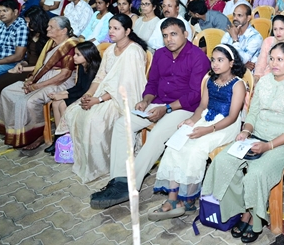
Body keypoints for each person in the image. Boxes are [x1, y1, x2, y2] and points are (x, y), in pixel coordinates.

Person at [89, 17, 210, 207]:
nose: (169, 39)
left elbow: (195, 94)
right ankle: (118, 180)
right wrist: (146, 100)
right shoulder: (160, 54)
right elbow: (152, 83)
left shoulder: (198, 57)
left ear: (185, 34)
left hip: (184, 109)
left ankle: (131, 185)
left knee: (157, 135)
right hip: (159, 103)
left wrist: (166, 108)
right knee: (122, 124)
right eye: (165, 35)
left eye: (174, 34)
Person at [201, 43, 284, 243]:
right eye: (272, 58)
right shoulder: (264, 81)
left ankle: (253, 217)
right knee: (223, 161)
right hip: (257, 135)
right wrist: (246, 131)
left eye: (280, 59)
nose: (274, 63)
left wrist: (268, 146)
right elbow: (252, 113)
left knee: (257, 172)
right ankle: (239, 209)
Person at [147, 45, 246, 219]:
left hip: (225, 125)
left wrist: (207, 130)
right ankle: (172, 199)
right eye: (213, 60)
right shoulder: (210, 80)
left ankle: (188, 199)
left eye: (220, 60)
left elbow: (232, 117)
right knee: (175, 145)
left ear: (231, 63)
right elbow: (202, 106)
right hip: (207, 118)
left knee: (194, 150)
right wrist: (191, 121)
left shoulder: (238, 84)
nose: (215, 64)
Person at [59, 14, 148, 183]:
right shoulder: (110, 50)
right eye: (110, 28)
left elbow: (125, 87)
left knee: (93, 119)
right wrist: (88, 95)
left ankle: (102, 164)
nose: (111, 31)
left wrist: (99, 100)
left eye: (116, 28)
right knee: (74, 110)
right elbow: (100, 77)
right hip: (104, 94)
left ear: (127, 31)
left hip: (122, 99)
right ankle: (86, 160)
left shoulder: (133, 52)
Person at [0, 16, 79, 150]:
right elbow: (42, 66)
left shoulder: (70, 46)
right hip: (43, 78)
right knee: (7, 92)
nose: (47, 29)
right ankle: (13, 131)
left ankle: (37, 135)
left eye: (51, 27)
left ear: (63, 30)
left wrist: (37, 86)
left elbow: (64, 75)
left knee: (28, 101)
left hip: (60, 83)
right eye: (48, 26)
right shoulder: (51, 43)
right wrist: (31, 80)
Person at [0, 6, 48, 118]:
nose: (27, 26)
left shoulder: (47, 38)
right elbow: (28, 58)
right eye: (26, 22)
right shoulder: (31, 34)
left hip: (37, 70)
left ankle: (2, 113)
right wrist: (21, 64)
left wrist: (23, 68)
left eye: (30, 22)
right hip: (26, 67)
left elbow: (45, 64)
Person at [44, 41, 102, 154]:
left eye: (78, 55)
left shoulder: (94, 69)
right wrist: (61, 93)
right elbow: (78, 86)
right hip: (80, 94)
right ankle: (59, 139)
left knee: (62, 104)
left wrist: (62, 96)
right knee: (55, 102)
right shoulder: (81, 66)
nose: (74, 57)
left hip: (90, 97)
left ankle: (69, 139)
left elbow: (85, 91)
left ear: (88, 55)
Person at [221, 4, 263, 71]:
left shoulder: (255, 37)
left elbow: (243, 59)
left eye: (239, 15)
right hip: (229, 71)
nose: (235, 18)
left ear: (248, 18)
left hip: (247, 74)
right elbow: (220, 54)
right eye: (234, 15)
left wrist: (235, 39)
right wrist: (242, 65)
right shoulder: (229, 33)